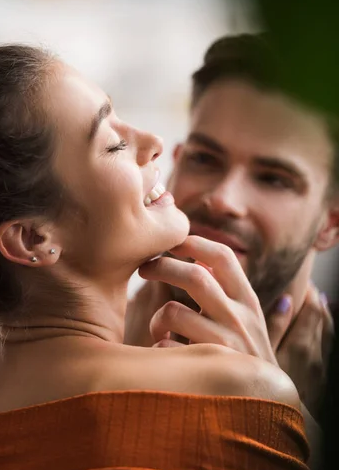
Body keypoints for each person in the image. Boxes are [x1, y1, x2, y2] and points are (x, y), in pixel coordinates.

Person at [0, 45, 308, 470]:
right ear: (32, 238)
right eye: (113, 143)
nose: (153, 142)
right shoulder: (236, 392)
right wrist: (281, 408)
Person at [125, 33, 338, 419]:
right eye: (204, 159)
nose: (222, 198)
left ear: (332, 222)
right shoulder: (80, 349)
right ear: (174, 163)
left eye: (273, 178)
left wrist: (285, 421)